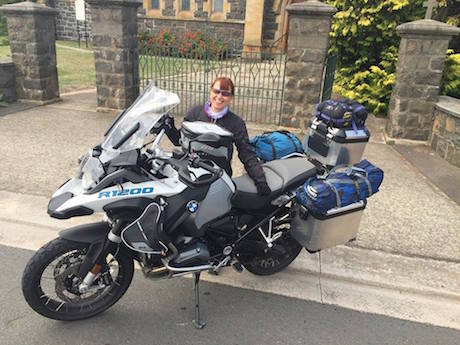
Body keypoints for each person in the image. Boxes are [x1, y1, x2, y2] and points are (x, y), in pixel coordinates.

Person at [165, 77, 271, 196]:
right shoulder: (195, 113)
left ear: (231, 97)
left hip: (219, 177)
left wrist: (260, 181)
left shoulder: (236, 123)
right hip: (191, 174)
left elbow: (246, 154)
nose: (219, 97)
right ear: (210, 91)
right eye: (216, 91)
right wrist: (168, 127)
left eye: (225, 94)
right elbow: (179, 140)